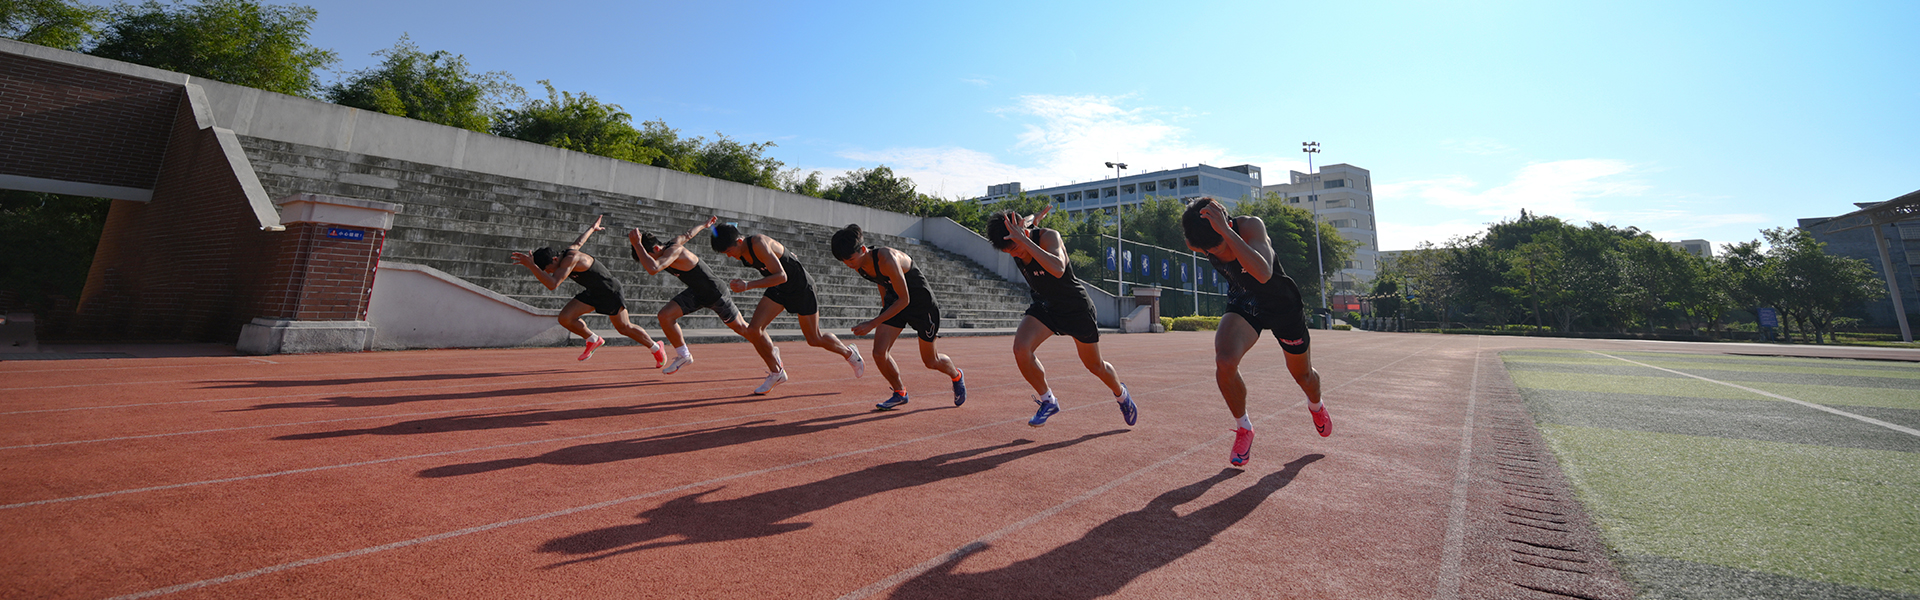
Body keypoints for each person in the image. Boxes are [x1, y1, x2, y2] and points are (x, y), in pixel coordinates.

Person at [1181, 197, 1330, 467]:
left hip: (1281, 304)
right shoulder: (1197, 240)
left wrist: (1227, 233)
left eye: (1219, 245)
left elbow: (1263, 273)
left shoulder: (1251, 227)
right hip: (1244, 300)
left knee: (1303, 375)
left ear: (1226, 224)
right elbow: (1196, 238)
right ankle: (1244, 427)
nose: (1216, 253)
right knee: (1224, 360)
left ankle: (1316, 406)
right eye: (1209, 250)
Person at [987, 209, 1136, 427]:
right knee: (1021, 348)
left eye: (1016, 247)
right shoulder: (1017, 238)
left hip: (1075, 308)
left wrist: (1026, 240)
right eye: (1010, 252)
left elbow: (1057, 268)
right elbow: (1025, 223)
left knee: (1095, 365)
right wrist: (1030, 221)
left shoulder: (1049, 237)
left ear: (1024, 235)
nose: (1016, 254)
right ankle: (1048, 400)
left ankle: (1122, 395)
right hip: (1046, 307)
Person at [711, 221, 866, 394]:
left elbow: (781, 275)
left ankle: (850, 353)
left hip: (800, 287)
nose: (729, 256)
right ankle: (777, 372)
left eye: (729, 252)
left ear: (739, 242)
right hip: (779, 288)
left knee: (814, 339)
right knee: (754, 330)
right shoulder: (742, 251)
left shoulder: (758, 243)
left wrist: (747, 285)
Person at [628, 216, 782, 380]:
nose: (647, 261)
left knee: (745, 329)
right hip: (696, 292)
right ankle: (684, 355)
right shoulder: (671, 244)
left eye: (648, 257)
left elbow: (654, 268)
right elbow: (688, 234)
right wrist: (705, 225)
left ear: (657, 249)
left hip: (715, 292)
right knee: (665, 315)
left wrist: (637, 244)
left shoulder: (674, 250)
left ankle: (772, 351)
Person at [830, 224, 965, 410]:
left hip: (920, 304)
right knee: (879, 353)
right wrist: (884, 311)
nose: (849, 265)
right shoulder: (859, 265)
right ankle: (900, 393)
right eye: (844, 262)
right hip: (896, 301)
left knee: (930, 361)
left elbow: (905, 299)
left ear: (862, 249)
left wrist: (873, 323)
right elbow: (881, 282)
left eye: (850, 259)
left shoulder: (887, 258)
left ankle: (956, 375)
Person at [510, 215, 667, 367]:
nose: (549, 273)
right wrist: (592, 228)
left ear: (554, 260)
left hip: (609, 290)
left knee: (624, 328)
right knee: (565, 318)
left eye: (548, 270)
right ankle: (593, 339)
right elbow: (579, 242)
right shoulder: (566, 253)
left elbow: (553, 284)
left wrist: (531, 266)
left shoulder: (571, 259)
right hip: (593, 291)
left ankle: (656, 347)